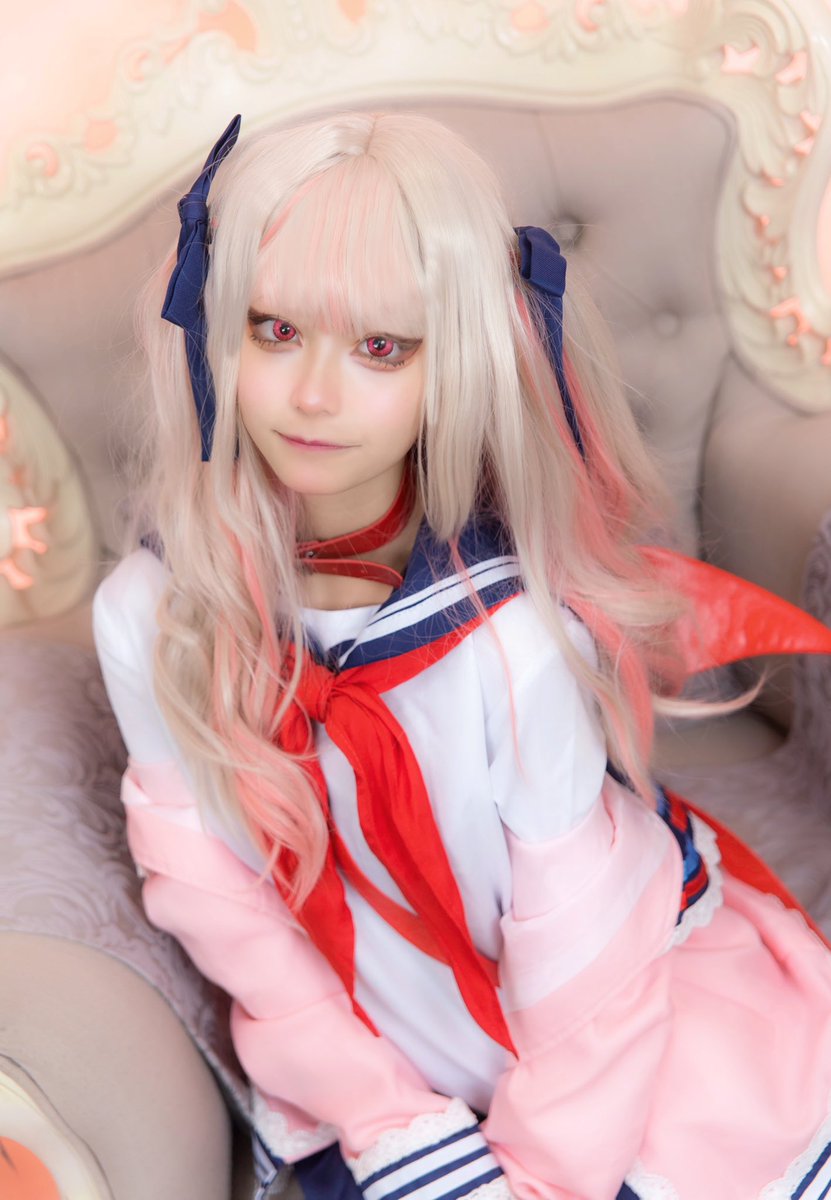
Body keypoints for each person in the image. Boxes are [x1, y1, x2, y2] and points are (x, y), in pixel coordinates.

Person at [93, 110, 831, 1200]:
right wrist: (384, 1119)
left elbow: (588, 957)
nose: (313, 395)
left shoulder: (511, 644)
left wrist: (537, 1177)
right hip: (360, 1052)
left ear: (459, 363)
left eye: (380, 347)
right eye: (275, 329)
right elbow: (215, 899)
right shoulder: (149, 614)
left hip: (599, 1052)